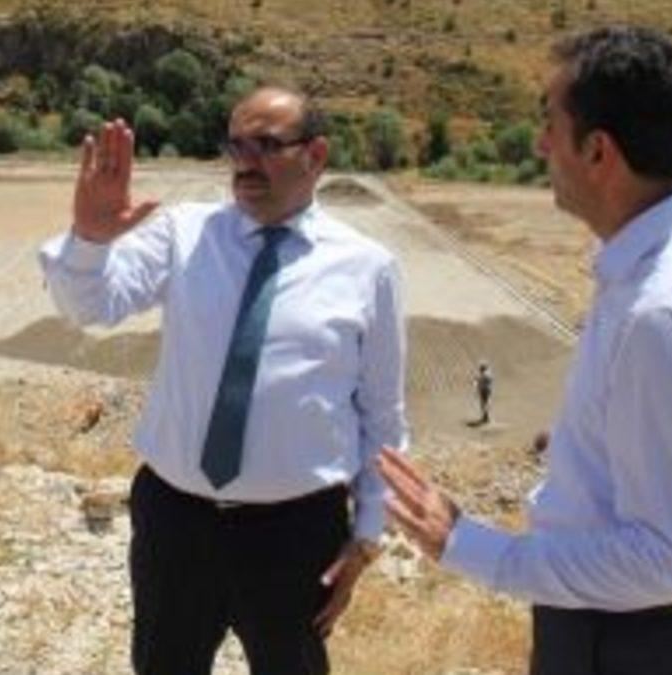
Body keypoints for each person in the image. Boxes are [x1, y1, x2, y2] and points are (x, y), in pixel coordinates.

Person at [380, 26, 672, 675]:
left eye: (550, 126)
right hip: (626, 634)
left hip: (622, 645)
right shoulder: (668, 269)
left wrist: (466, 544)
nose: (540, 145)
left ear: (597, 151)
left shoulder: (664, 310)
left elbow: (661, 558)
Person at [39, 86, 407, 674]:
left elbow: (382, 414)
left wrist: (366, 537)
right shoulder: (184, 233)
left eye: (265, 145)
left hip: (296, 533)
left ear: (315, 155)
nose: (244, 162)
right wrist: (89, 239)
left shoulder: (368, 267)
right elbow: (89, 305)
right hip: (176, 521)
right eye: (235, 146)